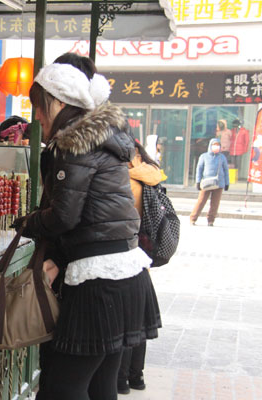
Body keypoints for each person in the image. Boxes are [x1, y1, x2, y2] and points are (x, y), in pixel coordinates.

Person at [12, 53, 161, 400]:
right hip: (126, 274)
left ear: (57, 102)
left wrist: (25, 223)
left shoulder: (73, 143)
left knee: (62, 388)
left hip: (100, 282)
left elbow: (65, 215)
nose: (35, 116)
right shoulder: (102, 137)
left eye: (39, 106)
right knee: (100, 385)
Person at [117, 139, 163, 395]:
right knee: (139, 317)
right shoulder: (151, 173)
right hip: (144, 255)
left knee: (125, 321)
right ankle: (137, 376)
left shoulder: (127, 179)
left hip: (125, 254)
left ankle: (122, 379)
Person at [190, 138, 230, 227]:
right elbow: (199, 169)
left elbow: (226, 171)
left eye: (218, 145)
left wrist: (227, 183)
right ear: (210, 146)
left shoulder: (222, 157)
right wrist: (198, 181)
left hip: (219, 183)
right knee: (201, 201)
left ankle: (211, 220)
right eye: (214, 145)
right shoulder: (204, 156)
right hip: (206, 183)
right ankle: (193, 218)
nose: (216, 147)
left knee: (215, 203)